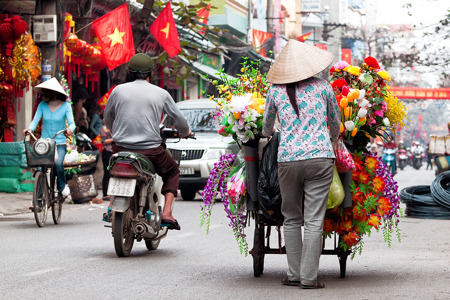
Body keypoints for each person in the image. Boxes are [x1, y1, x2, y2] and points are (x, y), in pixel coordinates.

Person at [262, 40, 340, 289]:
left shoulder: (275, 90)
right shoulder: (324, 87)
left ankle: (294, 274)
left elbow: (266, 127)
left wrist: (274, 131)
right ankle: (309, 278)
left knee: (291, 218)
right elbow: (335, 122)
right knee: (314, 219)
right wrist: (333, 139)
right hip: (320, 158)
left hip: (287, 160)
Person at [104, 53, 191, 230]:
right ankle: (167, 212)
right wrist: (186, 132)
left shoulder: (117, 90)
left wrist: (118, 130)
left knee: (114, 170)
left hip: (120, 148)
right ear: (151, 73)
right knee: (172, 171)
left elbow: (108, 119)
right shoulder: (161, 93)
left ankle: (111, 207)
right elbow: (180, 121)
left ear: (129, 72)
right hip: (150, 151)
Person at [23, 77, 75, 198]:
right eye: (47, 91)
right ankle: (39, 200)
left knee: (58, 164)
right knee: (39, 167)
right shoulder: (42, 105)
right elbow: (35, 120)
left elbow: (72, 124)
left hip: (59, 143)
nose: (48, 94)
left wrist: (69, 130)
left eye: (51, 91)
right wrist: (29, 130)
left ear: (57, 92)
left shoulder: (66, 106)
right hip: (44, 144)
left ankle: (62, 187)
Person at [100, 122, 113, 200]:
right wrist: (114, 138)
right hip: (107, 152)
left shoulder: (115, 127)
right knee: (107, 173)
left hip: (113, 152)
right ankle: (105, 194)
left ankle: (111, 192)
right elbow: (104, 141)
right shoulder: (104, 128)